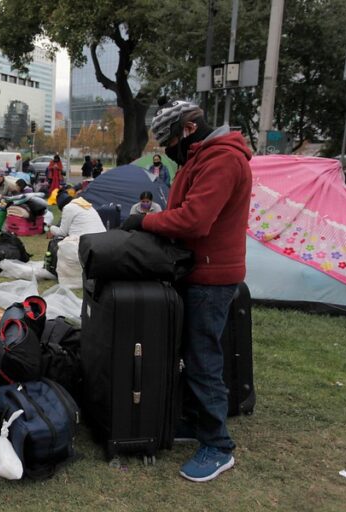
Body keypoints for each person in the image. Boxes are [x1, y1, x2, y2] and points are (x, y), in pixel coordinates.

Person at [121, 99, 252, 483]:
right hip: (199, 270)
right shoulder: (201, 157)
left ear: (189, 130)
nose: (170, 152)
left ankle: (218, 445)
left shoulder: (222, 160)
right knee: (195, 353)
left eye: (171, 142)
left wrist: (145, 221)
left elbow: (195, 220)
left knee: (203, 359)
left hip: (212, 277)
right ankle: (198, 422)